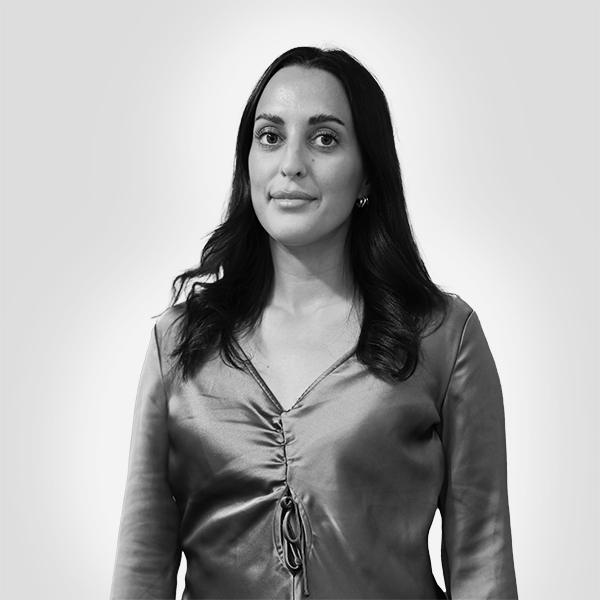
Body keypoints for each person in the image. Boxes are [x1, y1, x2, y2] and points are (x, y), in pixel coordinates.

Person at [109, 46, 518, 599]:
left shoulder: (443, 337)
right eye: (270, 137)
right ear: (247, 163)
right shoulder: (180, 343)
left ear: (368, 173)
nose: (291, 163)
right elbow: (142, 566)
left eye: (324, 139)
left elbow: (482, 561)